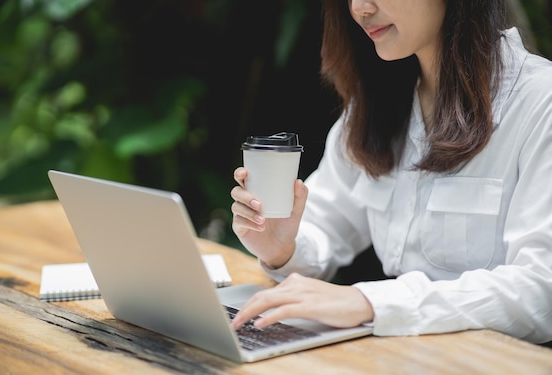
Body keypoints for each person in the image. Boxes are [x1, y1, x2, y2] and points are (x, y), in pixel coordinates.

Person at [229, 0, 552, 344]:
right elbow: (325, 224)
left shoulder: (538, 101)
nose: (360, 8)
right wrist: (282, 246)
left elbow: (541, 288)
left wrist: (371, 302)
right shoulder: (379, 101)